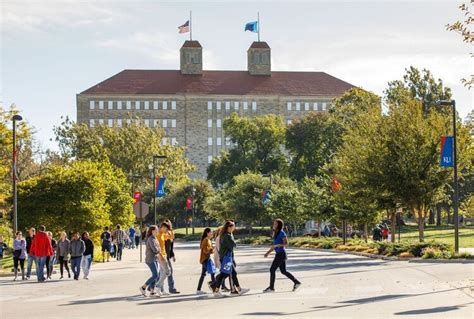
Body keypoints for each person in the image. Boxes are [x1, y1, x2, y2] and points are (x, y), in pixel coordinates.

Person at [210, 220, 248, 296]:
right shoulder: (227, 235)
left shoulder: (225, 234)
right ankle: (236, 289)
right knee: (226, 273)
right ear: (229, 227)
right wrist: (234, 243)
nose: (234, 227)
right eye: (233, 225)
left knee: (227, 273)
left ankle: (218, 290)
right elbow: (232, 245)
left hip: (226, 258)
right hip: (226, 258)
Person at [263, 219, 301, 293]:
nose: (273, 225)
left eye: (275, 224)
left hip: (281, 255)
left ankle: (271, 288)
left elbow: (286, 244)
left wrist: (278, 245)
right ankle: (296, 282)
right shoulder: (276, 233)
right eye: (273, 224)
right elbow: (274, 246)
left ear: (279, 225)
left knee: (272, 269)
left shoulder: (281, 233)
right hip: (279, 254)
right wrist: (267, 253)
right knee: (283, 271)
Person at [140, 225, 161, 297]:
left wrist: (159, 249)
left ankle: (152, 291)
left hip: (155, 259)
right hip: (150, 259)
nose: (157, 231)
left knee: (155, 275)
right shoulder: (150, 239)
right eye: (156, 230)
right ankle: (143, 287)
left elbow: (158, 248)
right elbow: (155, 250)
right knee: (156, 275)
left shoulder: (155, 238)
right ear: (152, 231)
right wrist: (159, 250)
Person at [197, 228, 215, 294]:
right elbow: (205, 250)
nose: (212, 233)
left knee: (203, 274)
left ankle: (198, 290)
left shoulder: (208, 240)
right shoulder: (206, 240)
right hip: (206, 259)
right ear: (207, 233)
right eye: (211, 232)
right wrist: (211, 249)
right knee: (212, 273)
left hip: (205, 259)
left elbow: (209, 249)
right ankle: (214, 289)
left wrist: (212, 249)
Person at [163, 219, 179, 294]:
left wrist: (173, 255)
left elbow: (171, 246)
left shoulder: (171, 233)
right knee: (169, 271)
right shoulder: (164, 234)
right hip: (163, 255)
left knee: (162, 272)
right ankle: (171, 288)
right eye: (167, 224)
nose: (169, 225)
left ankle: (152, 286)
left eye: (169, 223)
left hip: (167, 255)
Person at [155, 222, 171, 294]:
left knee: (162, 273)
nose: (166, 231)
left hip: (164, 255)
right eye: (166, 229)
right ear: (163, 227)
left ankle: (162, 290)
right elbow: (157, 248)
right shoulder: (158, 235)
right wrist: (161, 256)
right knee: (168, 271)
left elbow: (171, 237)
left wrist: (170, 230)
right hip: (161, 256)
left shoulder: (162, 234)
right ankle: (157, 286)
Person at [214, 226, 231, 292]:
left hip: (223, 257)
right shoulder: (219, 238)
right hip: (222, 257)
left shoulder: (221, 237)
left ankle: (222, 286)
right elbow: (219, 249)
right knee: (225, 272)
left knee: (225, 272)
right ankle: (215, 283)